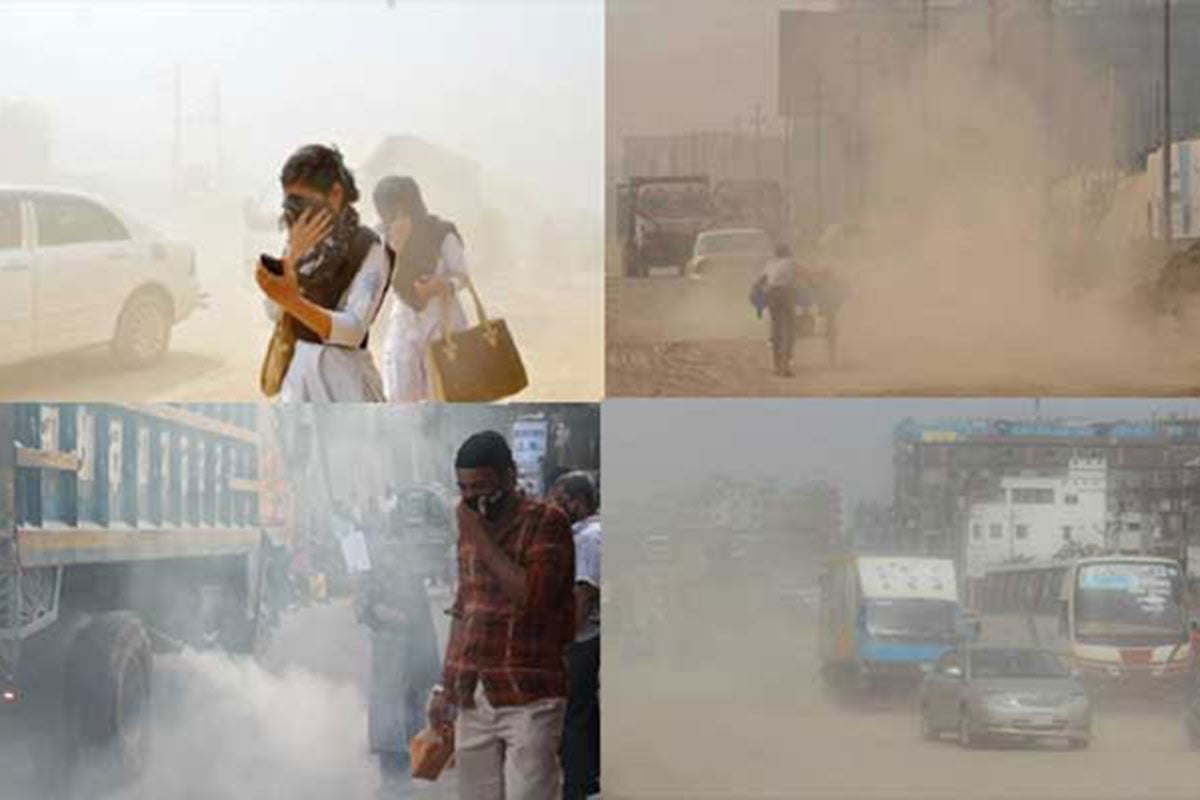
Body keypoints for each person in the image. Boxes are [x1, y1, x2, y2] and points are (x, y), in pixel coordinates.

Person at [429, 432, 575, 800]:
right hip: (474, 694)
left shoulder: (547, 521)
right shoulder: (469, 528)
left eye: (481, 486)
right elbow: (465, 608)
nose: (472, 497)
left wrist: (478, 537)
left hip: (529, 693)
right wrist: (446, 686)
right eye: (463, 488)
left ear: (509, 477)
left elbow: (533, 597)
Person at [256, 144, 391, 401]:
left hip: (346, 384)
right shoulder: (297, 243)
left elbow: (353, 331)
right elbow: (274, 313)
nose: (297, 215)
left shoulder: (369, 247)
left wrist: (293, 302)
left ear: (335, 195)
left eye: (303, 202)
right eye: (291, 205)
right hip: (299, 380)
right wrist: (292, 257)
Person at [356, 512, 442, 800]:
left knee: (412, 713)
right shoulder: (373, 571)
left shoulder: (411, 575)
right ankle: (392, 779)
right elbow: (365, 608)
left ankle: (408, 777)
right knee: (389, 716)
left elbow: (423, 620)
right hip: (389, 653)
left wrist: (432, 665)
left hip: (414, 652)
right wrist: (384, 614)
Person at [372, 176, 470, 402]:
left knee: (444, 397)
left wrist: (442, 286)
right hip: (404, 322)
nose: (394, 215)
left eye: (399, 208)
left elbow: (462, 275)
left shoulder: (441, 232)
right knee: (400, 395)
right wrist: (396, 247)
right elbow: (377, 282)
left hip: (444, 322)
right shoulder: (380, 237)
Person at [549, 472, 601, 800]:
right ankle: (589, 778)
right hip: (586, 637)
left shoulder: (587, 538)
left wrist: (565, 642)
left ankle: (578, 786)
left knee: (575, 716)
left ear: (576, 501)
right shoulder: (587, 533)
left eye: (560, 500)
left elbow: (584, 593)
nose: (555, 507)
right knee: (584, 710)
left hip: (583, 639)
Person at [753, 243, 800, 378]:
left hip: (771, 294)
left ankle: (776, 366)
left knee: (776, 329)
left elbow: (759, 282)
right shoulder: (792, 262)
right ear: (789, 253)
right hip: (786, 294)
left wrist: (758, 294)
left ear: (776, 254)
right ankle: (786, 366)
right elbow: (807, 275)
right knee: (790, 330)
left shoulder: (770, 264)